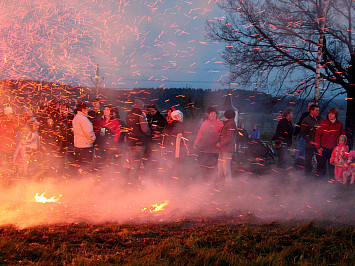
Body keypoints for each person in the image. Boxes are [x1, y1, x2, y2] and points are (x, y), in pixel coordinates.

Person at [193, 106, 223, 183]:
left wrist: (220, 143)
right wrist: (196, 143)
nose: (213, 115)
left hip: (214, 150)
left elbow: (223, 135)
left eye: (214, 113)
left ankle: (213, 182)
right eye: (211, 113)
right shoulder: (205, 123)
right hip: (204, 149)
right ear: (208, 114)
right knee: (203, 165)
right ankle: (205, 181)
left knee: (212, 167)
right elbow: (200, 135)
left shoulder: (219, 124)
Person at [315, 107, 345, 179]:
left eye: (332, 114)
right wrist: (318, 147)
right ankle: (319, 182)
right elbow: (317, 135)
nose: (330, 115)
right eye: (329, 114)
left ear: (335, 115)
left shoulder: (339, 124)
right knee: (321, 165)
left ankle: (332, 181)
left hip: (334, 149)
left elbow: (343, 136)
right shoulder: (323, 123)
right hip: (323, 148)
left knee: (332, 166)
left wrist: (343, 146)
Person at [126, 99, 150, 187]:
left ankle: (132, 181)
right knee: (136, 164)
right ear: (140, 106)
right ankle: (132, 183)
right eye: (142, 105)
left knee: (132, 163)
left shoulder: (128, 114)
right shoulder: (140, 115)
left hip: (130, 142)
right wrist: (147, 126)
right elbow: (144, 129)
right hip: (139, 142)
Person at [161, 110, 188, 185]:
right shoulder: (181, 127)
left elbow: (163, 141)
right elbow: (185, 141)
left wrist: (163, 152)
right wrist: (187, 151)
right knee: (176, 170)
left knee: (168, 169)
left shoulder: (167, 126)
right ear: (178, 117)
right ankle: (174, 187)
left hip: (168, 152)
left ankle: (165, 186)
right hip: (178, 153)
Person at [93, 105, 121, 172]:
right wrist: (98, 132)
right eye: (105, 109)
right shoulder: (99, 121)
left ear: (111, 112)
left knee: (106, 162)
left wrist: (113, 142)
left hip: (109, 145)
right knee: (98, 161)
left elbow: (117, 133)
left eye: (108, 110)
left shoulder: (115, 122)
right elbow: (95, 130)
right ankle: (97, 175)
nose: (105, 111)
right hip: (100, 144)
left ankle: (105, 176)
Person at [72, 103, 96, 175]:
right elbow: (88, 132)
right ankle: (85, 180)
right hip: (85, 145)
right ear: (83, 110)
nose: (87, 111)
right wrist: (93, 139)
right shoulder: (83, 119)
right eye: (86, 110)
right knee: (86, 165)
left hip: (78, 145)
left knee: (79, 164)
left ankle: (78, 179)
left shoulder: (76, 118)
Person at [145, 104, 167, 180]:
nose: (150, 113)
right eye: (149, 111)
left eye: (152, 111)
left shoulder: (160, 118)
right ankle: (147, 173)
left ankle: (155, 174)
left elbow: (164, 128)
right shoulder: (147, 117)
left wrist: (159, 134)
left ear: (156, 110)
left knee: (155, 157)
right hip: (148, 141)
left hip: (156, 142)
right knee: (147, 158)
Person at [300, 104, 322, 177]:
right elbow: (303, 133)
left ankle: (319, 176)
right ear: (311, 111)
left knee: (320, 160)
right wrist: (310, 140)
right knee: (308, 161)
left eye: (318, 110)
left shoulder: (320, 119)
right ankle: (306, 176)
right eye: (316, 110)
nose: (318, 112)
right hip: (309, 145)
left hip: (319, 144)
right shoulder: (306, 120)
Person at [217, 110, 236, 187]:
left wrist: (220, 144)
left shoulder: (230, 124)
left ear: (226, 116)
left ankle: (228, 184)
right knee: (221, 167)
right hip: (223, 149)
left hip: (227, 150)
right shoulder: (227, 124)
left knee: (225, 167)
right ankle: (220, 183)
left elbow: (229, 138)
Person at [294, 102, 313, 166]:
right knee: (298, 151)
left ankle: (303, 165)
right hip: (302, 137)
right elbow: (299, 124)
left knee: (305, 152)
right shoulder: (304, 115)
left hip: (309, 138)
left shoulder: (316, 117)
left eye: (310, 106)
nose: (308, 108)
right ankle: (297, 163)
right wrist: (295, 133)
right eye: (308, 106)